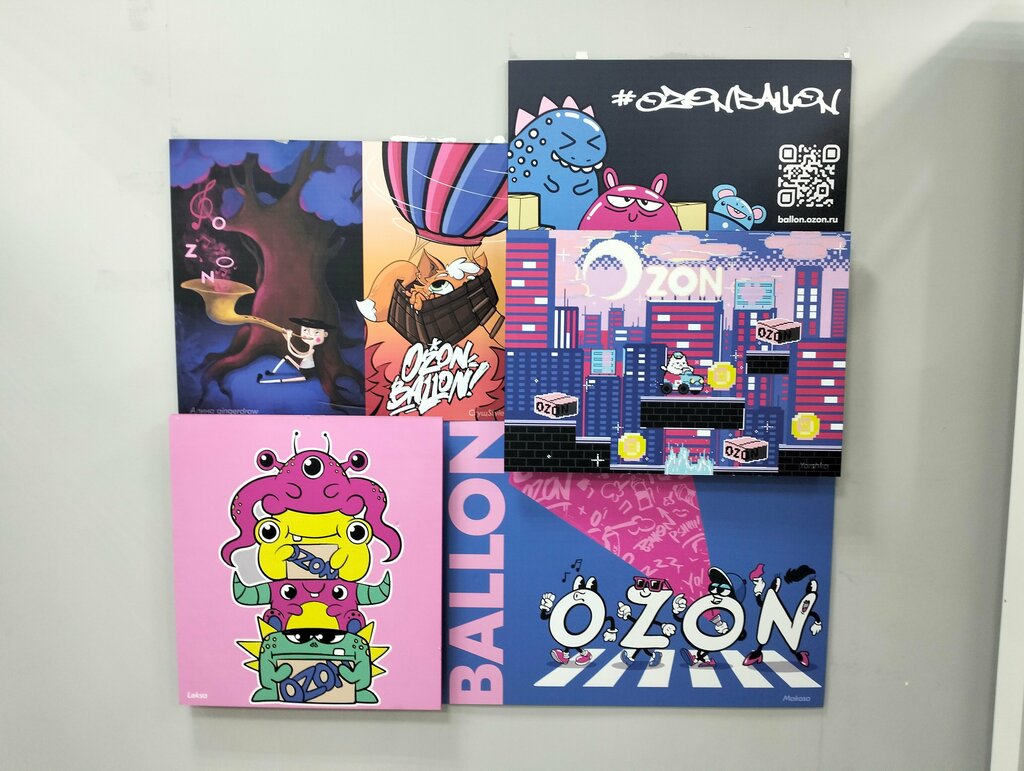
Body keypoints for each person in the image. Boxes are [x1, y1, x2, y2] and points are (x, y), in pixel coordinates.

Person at [257, 317, 332, 384]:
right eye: (305, 330)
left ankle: (263, 381)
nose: (309, 335)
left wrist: (289, 339)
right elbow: (298, 352)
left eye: (316, 332)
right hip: (302, 368)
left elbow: (297, 355)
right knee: (286, 357)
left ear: (325, 334)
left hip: (307, 372)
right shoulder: (310, 351)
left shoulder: (312, 351)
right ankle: (272, 372)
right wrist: (286, 337)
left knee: (286, 380)